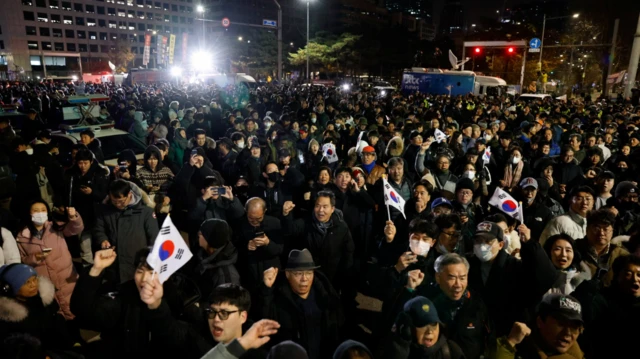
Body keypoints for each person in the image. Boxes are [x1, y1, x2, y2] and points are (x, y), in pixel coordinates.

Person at [70, 247, 198, 357]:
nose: (144, 279)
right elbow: (82, 311)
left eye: (152, 272)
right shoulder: (125, 296)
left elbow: (180, 340)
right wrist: (96, 270)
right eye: (140, 271)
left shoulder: (179, 298)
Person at [259, 249, 344, 359]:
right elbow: (262, 322)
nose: (304, 279)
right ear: (288, 274)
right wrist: (266, 291)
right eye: (298, 273)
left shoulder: (325, 297)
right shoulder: (277, 300)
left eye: (309, 273)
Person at [16, 202, 83, 320]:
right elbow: (21, 260)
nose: (40, 213)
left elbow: (76, 228)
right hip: (45, 283)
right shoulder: (22, 237)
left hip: (66, 278)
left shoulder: (56, 227)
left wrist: (73, 217)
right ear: (29, 213)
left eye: (43, 210)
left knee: (76, 308)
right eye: (36, 210)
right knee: (56, 316)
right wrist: (34, 257)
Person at [281, 191, 354, 286]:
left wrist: (346, 276)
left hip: (332, 278)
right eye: (317, 206)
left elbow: (348, 251)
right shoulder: (305, 223)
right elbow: (288, 230)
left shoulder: (341, 227)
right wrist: (286, 214)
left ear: (332, 209)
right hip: (308, 277)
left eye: (325, 207)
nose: (320, 210)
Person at [0, 264, 75, 356]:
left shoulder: (43, 299)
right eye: (27, 282)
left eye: (34, 279)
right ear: (9, 288)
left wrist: (72, 343)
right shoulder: (7, 317)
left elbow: (57, 322)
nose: (33, 285)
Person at [93, 180, 159, 283]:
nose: (118, 205)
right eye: (114, 202)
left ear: (129, 194)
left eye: (121, 201)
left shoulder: (145, 212)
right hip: (114, 264)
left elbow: (154, 238)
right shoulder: (105, 211)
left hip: (138, 264)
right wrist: (103, 240)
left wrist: (152, 261)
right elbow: (99, 229)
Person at [494, 294, 585, 359]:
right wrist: (509, 344)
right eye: (561, 324)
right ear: (540, 322)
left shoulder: (577, 356)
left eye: (574, 327)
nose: (568, 333)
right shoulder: (516, 348)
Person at [383, 296, 466, 359]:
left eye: (433, 324)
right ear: (409, 328)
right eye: (422, 325)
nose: (429, 331)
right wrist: (401, 345)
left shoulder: (451, 350)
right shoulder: (394, 351)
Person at [192, 219, 241, 299]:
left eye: (202, 233)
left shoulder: (226, 275)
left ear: (210, 240)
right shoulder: (202, 254)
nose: (198, 234)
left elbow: (226, 304)